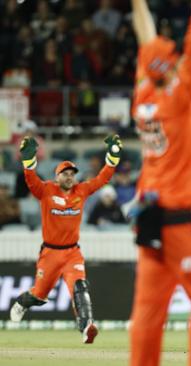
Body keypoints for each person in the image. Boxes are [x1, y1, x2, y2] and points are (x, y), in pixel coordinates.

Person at [129, 1, 191, 365]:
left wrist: (138, 3)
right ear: (168, 65)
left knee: (149, 313)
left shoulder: (143, 93)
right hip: (177, 217)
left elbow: (144, 36)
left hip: (148, 216)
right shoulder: (178, 94)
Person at [9, 134, 122, 344]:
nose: (69, 177)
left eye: (72, 174)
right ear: (57, 176)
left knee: (80, 286)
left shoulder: (81, 190)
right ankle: (22, 302)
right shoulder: (46, 190)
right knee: (39, 295)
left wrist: (113, 156)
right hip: (50, 253)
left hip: (72, 253)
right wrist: (28, 159)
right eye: (65, 173)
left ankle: (86, 327)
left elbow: (103, 179)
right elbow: (30, 179)